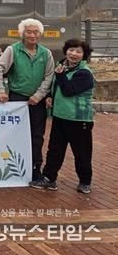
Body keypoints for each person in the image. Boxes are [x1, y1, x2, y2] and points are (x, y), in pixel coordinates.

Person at [0, 18, 55, 180]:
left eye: (36, 32)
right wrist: (1, 91)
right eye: (28, 32)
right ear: (22, 34)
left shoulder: (46, 53)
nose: (32, 35)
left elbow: (49, 76)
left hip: (37, 101)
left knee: (37, 136)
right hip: (17, 100)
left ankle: (35, 169)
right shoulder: (13, 50)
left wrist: (39, 95)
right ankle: (10, 168)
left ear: (40, 34)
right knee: (13, 134)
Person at [30, 39, 95, 194]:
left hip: (79, 119)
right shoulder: (62, 66)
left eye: (78, 51)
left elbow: (68, 90)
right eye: (71, 50)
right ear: (66, 51)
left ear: (84, 55)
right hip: (60, 117)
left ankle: (85, 181)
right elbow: (56, 86)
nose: (74, 54)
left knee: (82, 153)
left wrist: (60, 75)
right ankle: (49, 178)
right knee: (55, 150)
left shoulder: (84, 73)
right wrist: (50, 96)